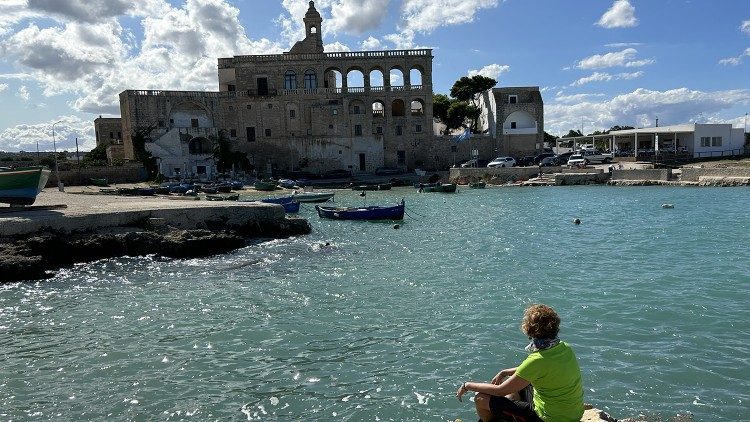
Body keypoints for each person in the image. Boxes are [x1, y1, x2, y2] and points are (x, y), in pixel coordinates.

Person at [456, 304, 584, 422]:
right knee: (516, 383)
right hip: (573, 414)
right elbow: (541, 369)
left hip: (550, 419)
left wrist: (467, 385)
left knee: (480, 398)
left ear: (529, 330)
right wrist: (505, 372)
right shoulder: (565, 347)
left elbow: (500, 390)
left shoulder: (536, 360)